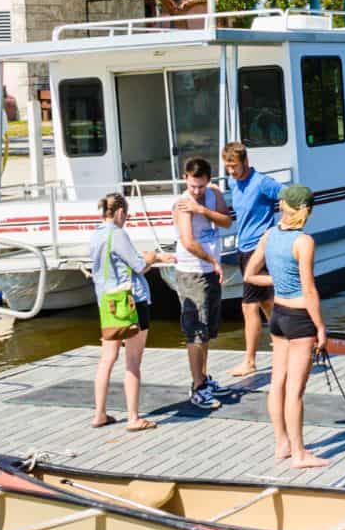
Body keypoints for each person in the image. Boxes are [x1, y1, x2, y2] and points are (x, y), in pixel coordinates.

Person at [243, 184, 330, 469]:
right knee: (295, 391)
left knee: (276, 382)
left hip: (277, 314)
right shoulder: (303, 241)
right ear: (305, 210)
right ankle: (300, 454)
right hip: (299, 318)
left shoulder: (270, 235)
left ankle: (282, 443)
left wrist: (278, 281)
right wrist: (320, 328)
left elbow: (249, 275)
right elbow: (309, 290)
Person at [89, 193, 172, 431]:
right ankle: (134, 418)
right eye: (126, 215)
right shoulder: (117, 234)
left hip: (107, 303)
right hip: (131, 302)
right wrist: (154, 256)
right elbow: (139, 266)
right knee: (132, 362)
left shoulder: (95, 235)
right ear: (120, 213)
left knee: (106, 360)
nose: (126, 220)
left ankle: (99, 414)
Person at [172, 157, 231, 410]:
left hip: (209, 271)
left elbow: (227, 221)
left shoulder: (214, 193)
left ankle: (204, 379)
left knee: (207, 329)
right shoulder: (181, 204)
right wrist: (213, 261)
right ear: (185, 178)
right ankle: (197, 387)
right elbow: (188, 242)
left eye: (201, 186)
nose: (196, 191)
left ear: (208, 180)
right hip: (192, 272)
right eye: (192, 185)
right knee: (195, 330)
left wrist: (204, 211)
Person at [222, 141, 284, 379]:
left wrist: (278, 230)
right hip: (243, 247)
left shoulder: (262, 183)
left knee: (248, 306)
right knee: (267, 302)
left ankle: (249, 361)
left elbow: (289, 197)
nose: (231, 172)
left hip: (259, 250)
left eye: (235, 166)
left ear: (245, 161)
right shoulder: (233, 182)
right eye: (228, 167)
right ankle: (285, 342)